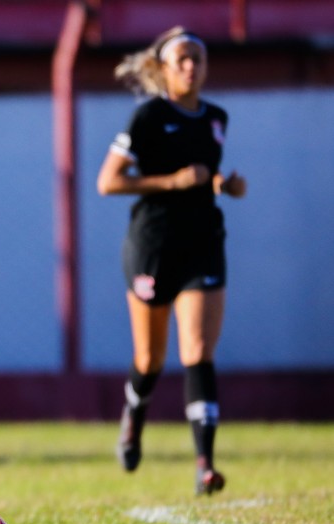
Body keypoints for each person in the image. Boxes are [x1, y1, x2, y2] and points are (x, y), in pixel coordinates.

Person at [96, 26, 247, 496]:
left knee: (198, 353)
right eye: (181, 58)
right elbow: (108, 182)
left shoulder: (216, 117)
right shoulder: (147, 116)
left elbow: (206, 176)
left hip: (204, 242)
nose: (190, 66)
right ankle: (134, 417)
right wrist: (173, 181)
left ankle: (205, 464)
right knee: (150, 358)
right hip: (153, 246)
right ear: (163, 68)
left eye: (197, 59)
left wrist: (225, 185)